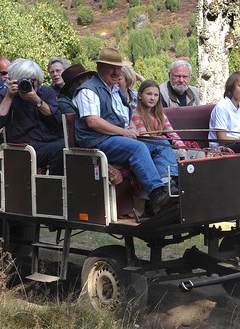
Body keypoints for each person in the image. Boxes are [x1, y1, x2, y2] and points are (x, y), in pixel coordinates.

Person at [74, 47, 178, 214]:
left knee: (161, 143)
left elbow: (123, 117)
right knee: (137, 148)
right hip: (96, 141)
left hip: (116, 138)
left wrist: (129, 127)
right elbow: (93, 122)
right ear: (100, 68)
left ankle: (170, 185)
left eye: (118, 68)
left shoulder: (115, 90)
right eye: (111, 68)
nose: (116, 72)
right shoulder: (88, 90)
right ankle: (156, 194)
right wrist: (124, 132)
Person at [0, 58, 65, 175]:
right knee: (60, 149)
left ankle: (57, 184)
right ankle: (52, 188)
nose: (27, 84)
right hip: (23, 147)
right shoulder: (6, 95)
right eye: (23, 80)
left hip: (50, 142)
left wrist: (37, 101)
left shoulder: (46, 92)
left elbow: (57, 119)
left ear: (38, 80)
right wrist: (9, 97)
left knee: (67, 147)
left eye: (32, 80)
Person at [132, 79, 188, 160]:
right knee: (181, 155)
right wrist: (163, 139)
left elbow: (172, 134)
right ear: (140, 95)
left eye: (156, 95)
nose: (152, 98)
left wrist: (180, 146)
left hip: (164, 147)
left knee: (197, 153)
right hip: (153, 151)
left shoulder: (160, 115)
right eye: (149, 94)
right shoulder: (136, 114)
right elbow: (146, 138)